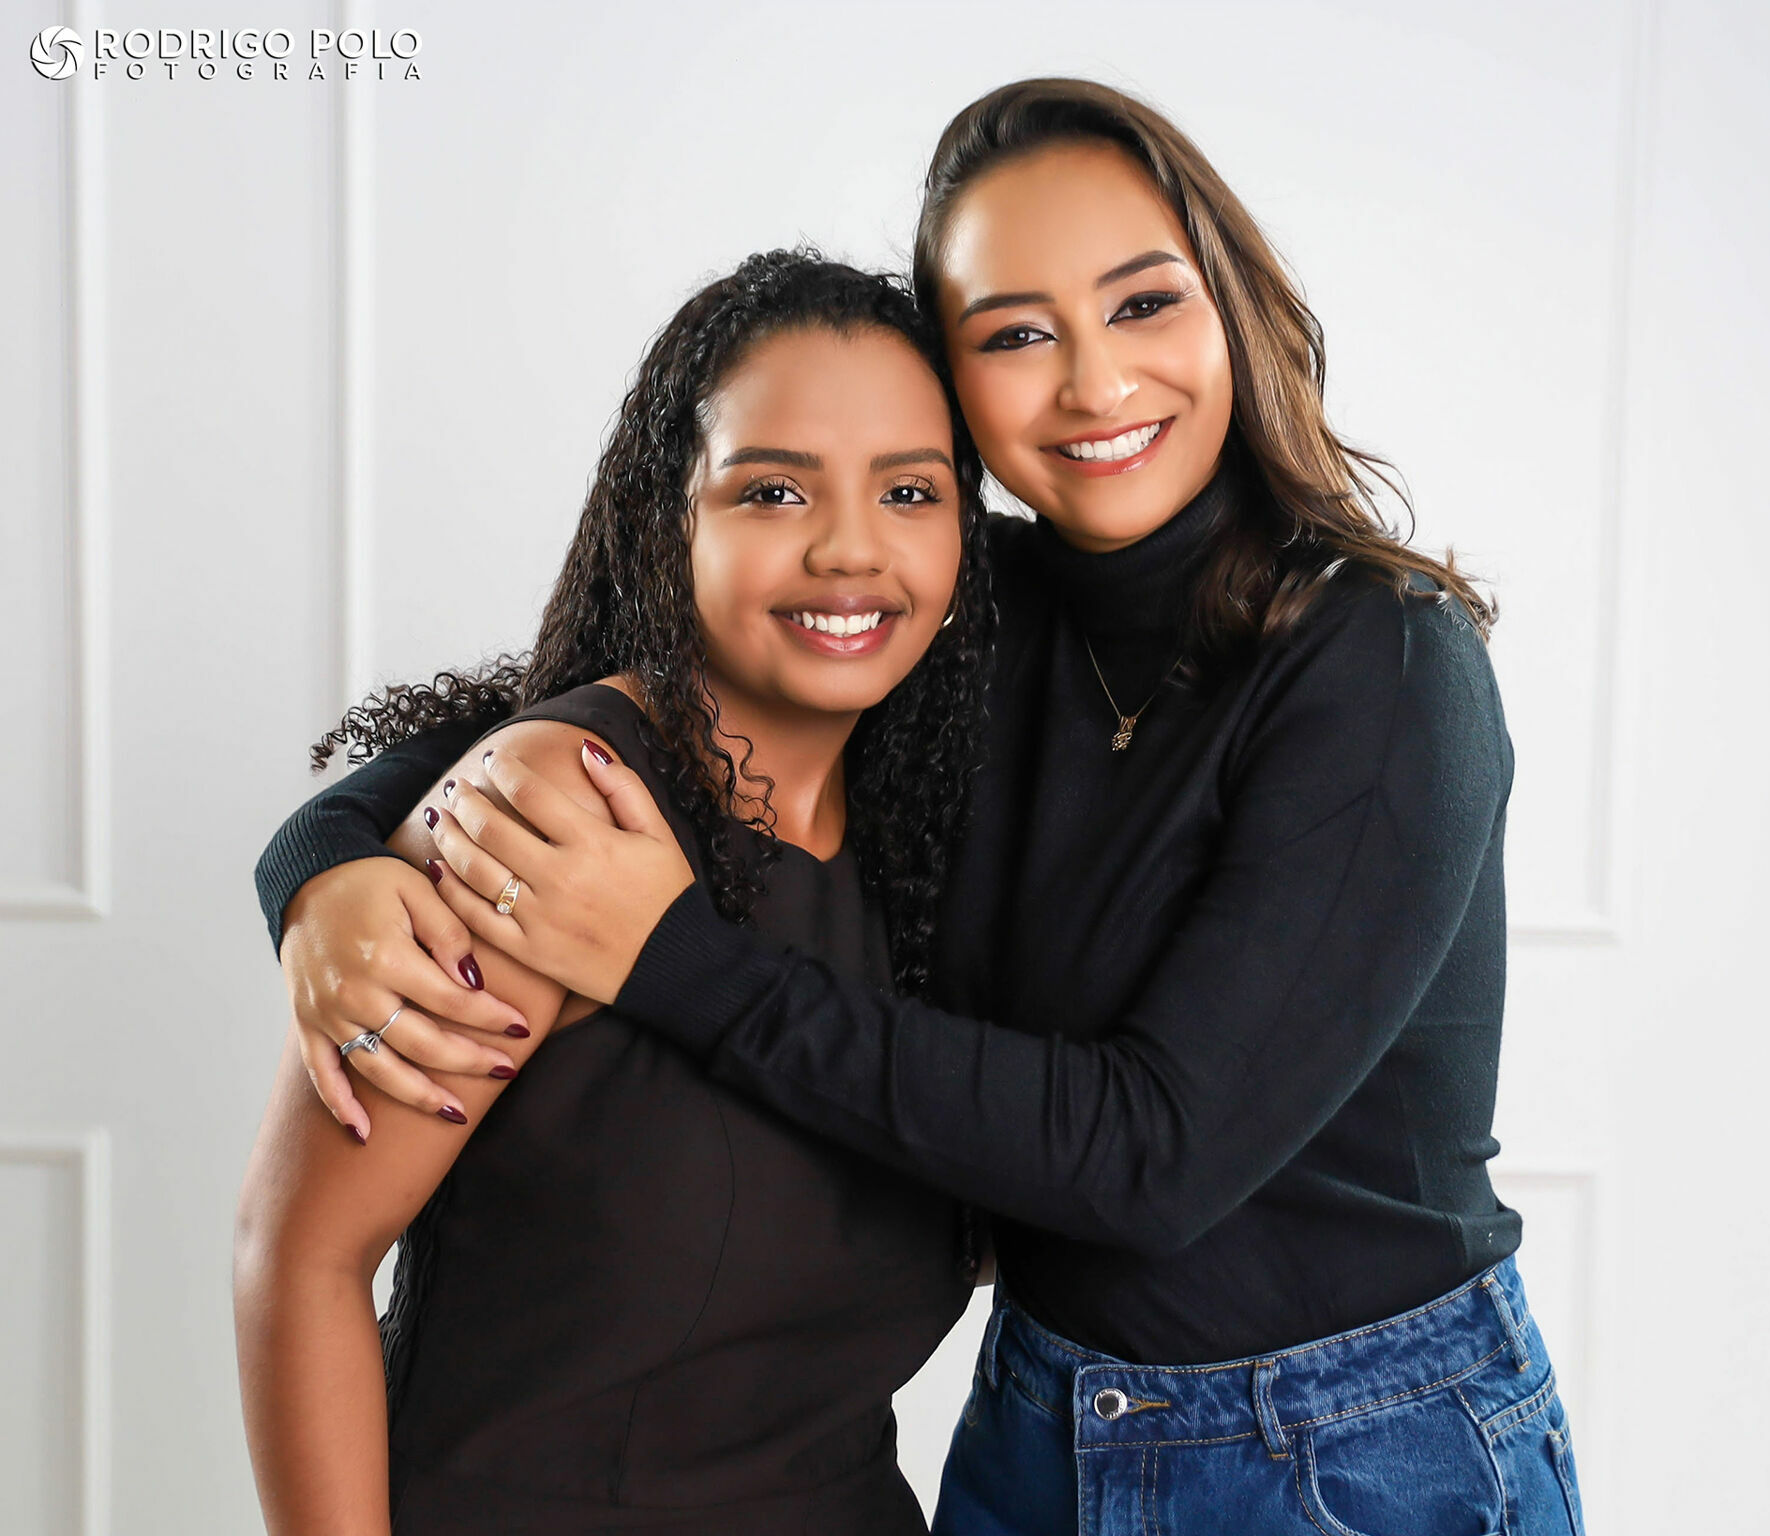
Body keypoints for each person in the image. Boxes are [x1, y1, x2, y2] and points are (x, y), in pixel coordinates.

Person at [252, 81, 1587, 1535]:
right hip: (1041, 1427)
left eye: (1143, 304)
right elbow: (590, 702)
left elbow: (1154, 1161)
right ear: (959, 395)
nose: (1093, 383)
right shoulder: (967, 612)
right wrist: (324, 866)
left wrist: (671, 957)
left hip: (1343, 1449)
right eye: (1015, 334)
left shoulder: (1386, 666)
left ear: (1237, 310)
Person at [232, 250, 995, 1535]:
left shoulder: (931, 834)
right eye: (772, 491)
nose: (852, 548)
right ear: (667, 520)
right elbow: (300, 1254)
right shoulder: (555, 809)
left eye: (909, 491)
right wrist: (313, 871)